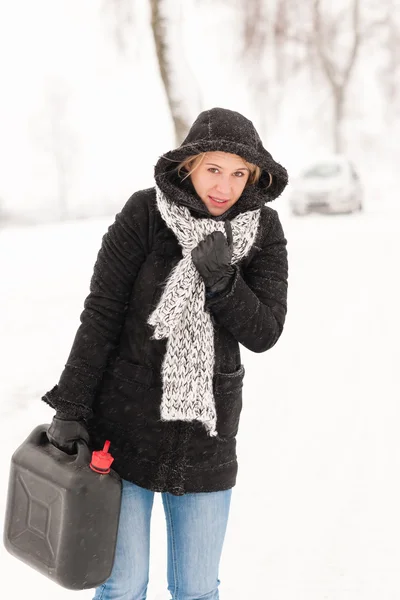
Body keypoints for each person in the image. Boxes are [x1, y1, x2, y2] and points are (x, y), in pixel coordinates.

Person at [43, 107, 289, 600]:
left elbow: (264, 331)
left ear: (254, 178)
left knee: (197, 589)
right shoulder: (144, 215)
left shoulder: (264, 231)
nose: (225, 186)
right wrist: (70, 407)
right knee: (122, 584)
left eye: (239, 173)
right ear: (189, 167)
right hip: (123, 428)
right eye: (214, 169)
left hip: (207, 434)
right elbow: (103, 313)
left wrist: (223, 281)